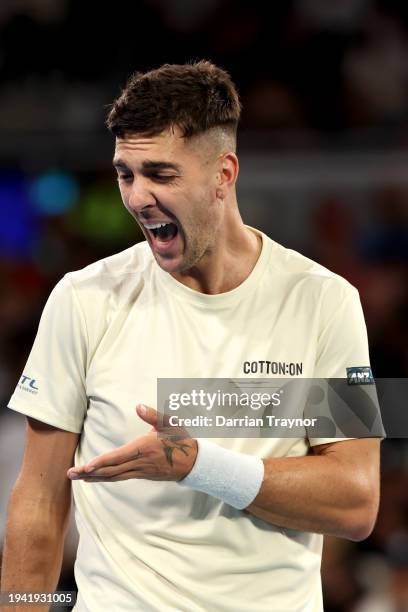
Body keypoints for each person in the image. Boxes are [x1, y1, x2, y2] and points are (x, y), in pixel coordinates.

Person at [1, 61, 381, 612]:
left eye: (161, 173)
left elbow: (355, 501)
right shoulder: (83, 299)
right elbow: (38, 501)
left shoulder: (323, 302)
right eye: (125, 173)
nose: (136, 197)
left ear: (223, 175)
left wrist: (197, 464)